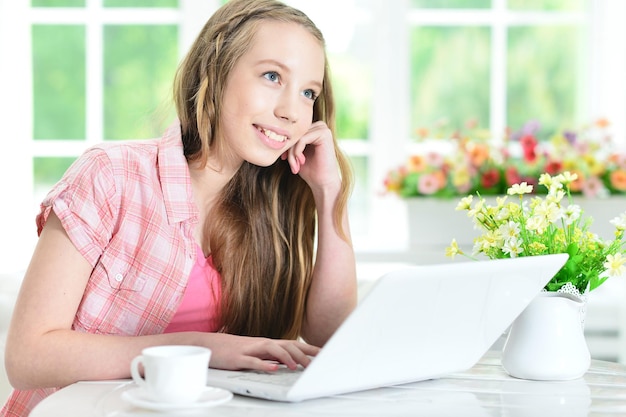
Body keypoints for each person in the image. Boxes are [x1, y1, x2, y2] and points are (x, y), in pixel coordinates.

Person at [1, 0, 357, 414]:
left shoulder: (276, 207)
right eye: (272, 76)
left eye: (308, 92)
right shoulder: (111, 177)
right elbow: (26, 359)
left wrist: (330, 191)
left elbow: (330, 343)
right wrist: (197, 348)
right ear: (216, 70)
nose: (291, 111)